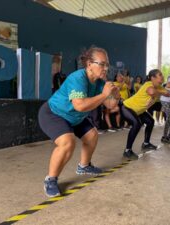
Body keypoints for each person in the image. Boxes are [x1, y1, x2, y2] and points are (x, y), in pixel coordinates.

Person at [38, 47, 119, 197]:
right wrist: (104, 95)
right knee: (67, 142)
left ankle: (84, 166)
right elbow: (80, 105)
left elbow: (111, 105)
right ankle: (50, 179)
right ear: (89, 64)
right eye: (102, 64)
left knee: (92, 135)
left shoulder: (100, 82)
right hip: (54, 113)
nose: (106, 68)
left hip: (75, 117)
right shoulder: (77, 78)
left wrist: (115, 93)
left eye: (107, 64)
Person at [120, 69, 170, 160]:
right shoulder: (148, 84)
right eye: (160, 75)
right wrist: (160, 92)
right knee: (136, 124)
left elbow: (169, 93)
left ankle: (146, 144)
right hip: (127, 107)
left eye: (162, 74)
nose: (162, 76)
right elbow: (151, 92)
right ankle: (127, 151)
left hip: (139, 111)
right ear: (152, 78)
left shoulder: (159, 87)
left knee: (151, 121)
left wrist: (158, 92)